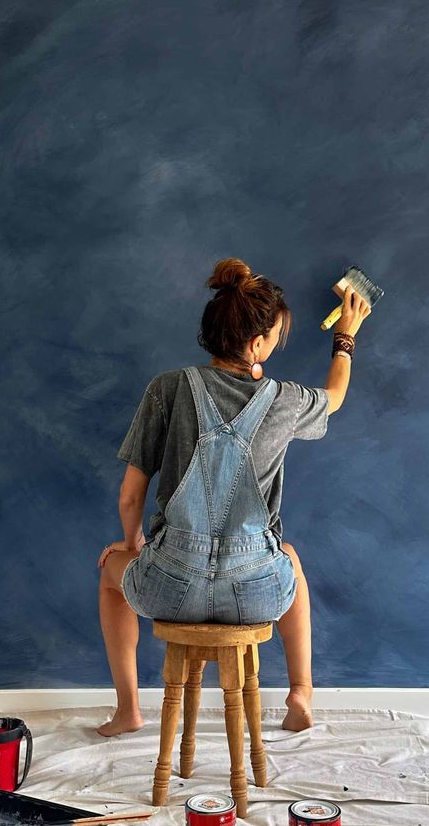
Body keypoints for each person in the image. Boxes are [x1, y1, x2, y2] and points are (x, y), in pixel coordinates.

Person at [96, 257, 371, 737]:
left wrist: (131, 543)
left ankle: (127, 711)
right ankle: (301, 692)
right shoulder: (283, 400)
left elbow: (129, 496)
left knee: (109, 578)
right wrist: (345, 335)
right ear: (257, 343)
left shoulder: (167, 388)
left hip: (169, 589)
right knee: (290, 558)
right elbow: (336, 394)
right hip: (256, 594)